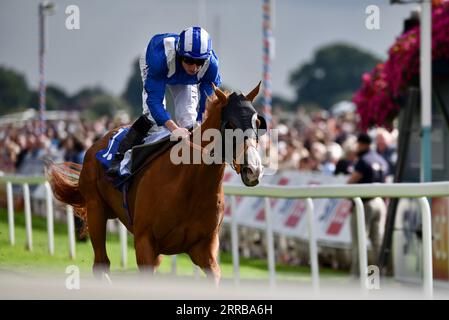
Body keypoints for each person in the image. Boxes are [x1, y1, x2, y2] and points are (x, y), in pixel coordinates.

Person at [107, 26, 221, 177]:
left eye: (199, 62)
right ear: (180, 55)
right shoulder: (159, 58)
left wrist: (200, 124)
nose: (194, 67)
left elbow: (207, 104)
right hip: (161, 67)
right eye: (189, 60)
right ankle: (120, 158)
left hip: (183, 77)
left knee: (189, 121)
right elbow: (154, 102)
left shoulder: (211, 66)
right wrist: (174, 129)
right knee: (154, 121)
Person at [347, 133, 388, 276]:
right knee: (378, 243)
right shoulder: (382, 160)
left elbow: (352, 181)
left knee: (359, 242)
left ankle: (356, 277)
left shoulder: (363, 160)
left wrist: (347, 195)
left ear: (362, 144)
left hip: (364, 204)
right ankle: (380, 275)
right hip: (380, 203)